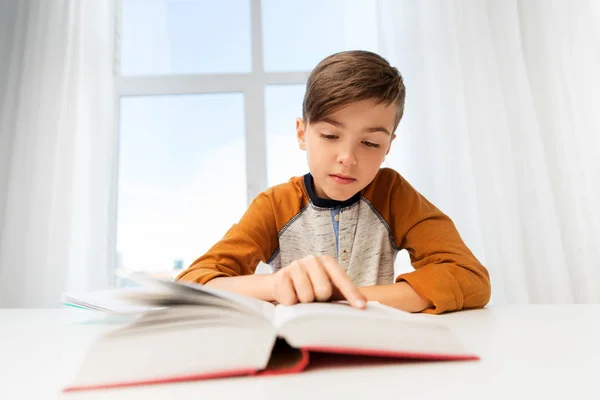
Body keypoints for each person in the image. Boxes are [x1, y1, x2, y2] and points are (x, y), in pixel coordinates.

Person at [177, 50, 491, 314]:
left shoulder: (393, 195)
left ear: (389, 147)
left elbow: (469, 277)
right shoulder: (275, 206)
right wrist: (277, 285)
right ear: (302, 133)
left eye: (370, 144)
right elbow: (191, 285)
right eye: (330, 135)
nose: (347, 158)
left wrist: (347, 299)